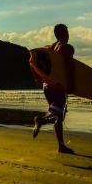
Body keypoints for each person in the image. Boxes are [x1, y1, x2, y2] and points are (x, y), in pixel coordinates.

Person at [32, 23, 76, 154]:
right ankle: (40, 120)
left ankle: (61, 145)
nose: (68, 35)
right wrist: (71, 85)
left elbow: (35, 61)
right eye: (67, 33)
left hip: (47, 85)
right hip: (58, 85)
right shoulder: (67, 48)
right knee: (58, 115)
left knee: (58, 116)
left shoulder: (50, 47)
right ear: (62, 34)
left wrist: (39, 79)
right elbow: (69, 67)